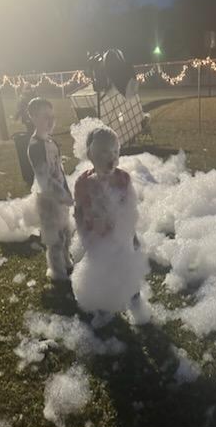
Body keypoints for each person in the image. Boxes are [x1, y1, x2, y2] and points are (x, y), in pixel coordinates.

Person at [72, 127, 150, 327]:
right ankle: (102, 307)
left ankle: (136, 305)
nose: (111, 157)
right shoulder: (83, 183)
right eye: (104, 152)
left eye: (115, 152)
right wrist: (85, 238)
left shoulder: (123, 179)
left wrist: (132, 236)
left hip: (121, 238)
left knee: (127, 271)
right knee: (101, 274)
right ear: (90, 155)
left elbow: (130, 210)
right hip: (97, 239)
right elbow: (79, 213)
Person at [27, 97, 73, 280]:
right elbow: (44, 177)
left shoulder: (51, 142)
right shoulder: (35, 146)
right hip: (47, 199)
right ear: (33, 117)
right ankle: (57, 272)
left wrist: (66, 190)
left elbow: (59, 169)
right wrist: (61, 195)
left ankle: (67, 260)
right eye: (45, 116)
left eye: (52, 115)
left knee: (65, 232)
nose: (51, 120)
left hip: (60, 195)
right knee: (54, 239)